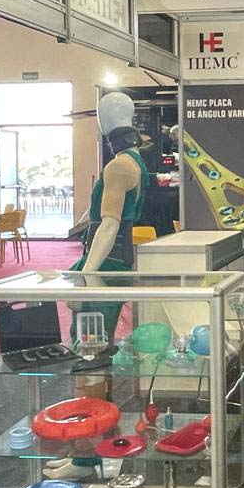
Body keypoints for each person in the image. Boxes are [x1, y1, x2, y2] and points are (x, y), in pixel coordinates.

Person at [69, 92, 148, 343]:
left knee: (91, 341)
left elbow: (110, 224)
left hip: (106, 262)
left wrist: (88, 273)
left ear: (104, 120)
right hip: (114, 260)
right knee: (97, 338)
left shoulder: (119, 166)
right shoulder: (136, 162)